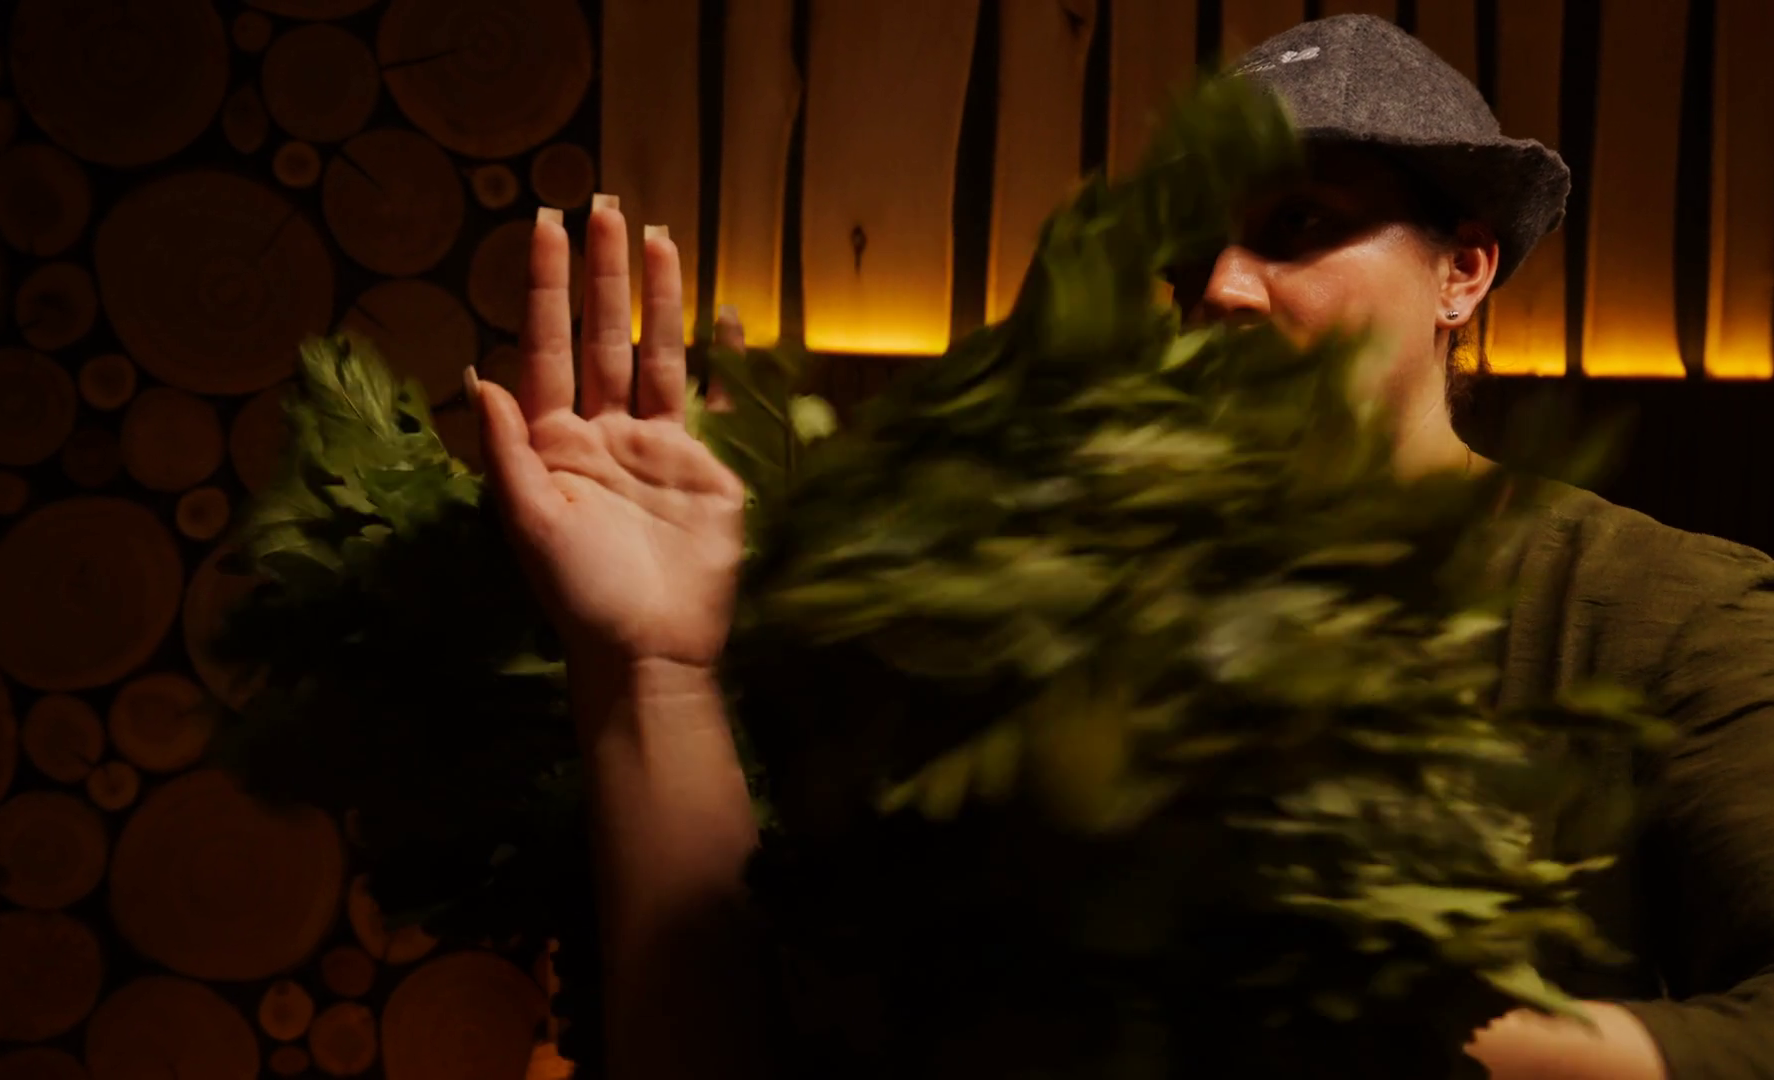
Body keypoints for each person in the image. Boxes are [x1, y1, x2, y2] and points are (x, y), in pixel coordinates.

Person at [463, 15, 1774, 1080]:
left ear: (1463, 272)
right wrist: (655, 668)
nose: (1221, 289)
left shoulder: (1661, 613)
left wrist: (1367, 1033)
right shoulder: (1038, 625)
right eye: (1193, 252)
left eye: (1297, 225)